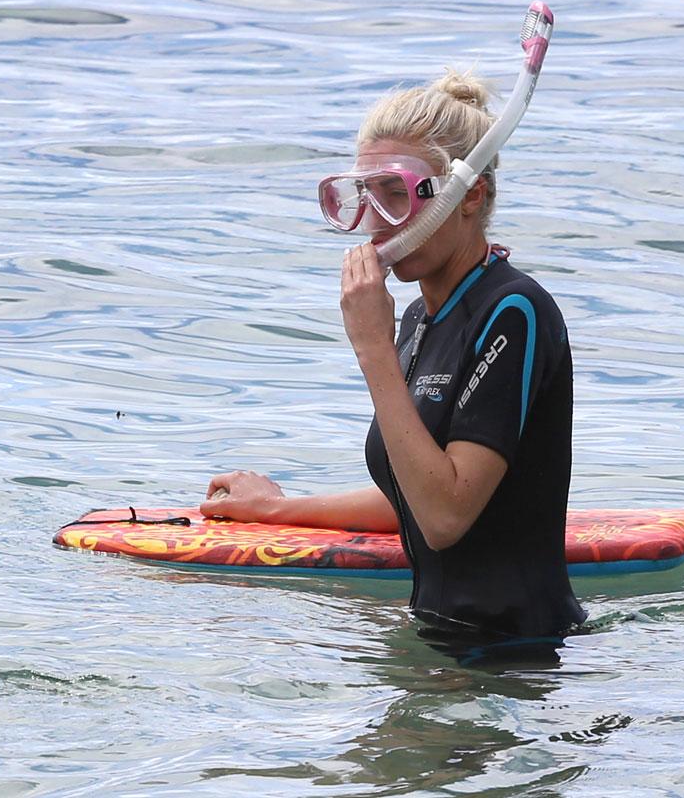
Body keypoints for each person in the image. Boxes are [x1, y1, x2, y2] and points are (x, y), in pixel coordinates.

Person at [203, 70, 586, 642]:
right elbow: (408, 495)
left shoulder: (514, 311)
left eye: (397, 193)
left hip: (512, 665)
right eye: (363, 195)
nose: (377, 219)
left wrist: (372, 349)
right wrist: (277, 509)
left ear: (469, 195)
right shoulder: (420, 318)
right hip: (440, 646)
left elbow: (445, 517)